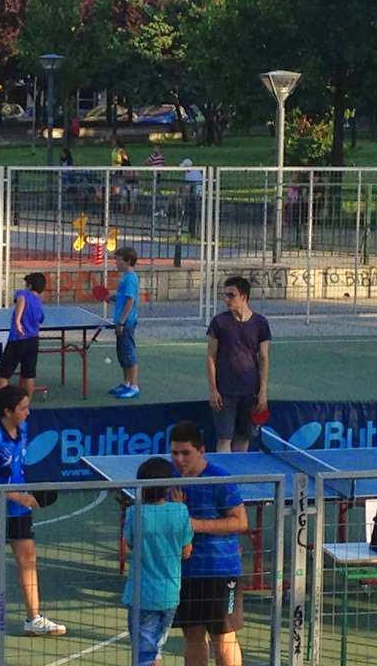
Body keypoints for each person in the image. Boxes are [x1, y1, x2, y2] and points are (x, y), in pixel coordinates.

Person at [0, 385, 66, 636]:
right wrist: (19, 496)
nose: (28, 413)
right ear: (7, 411)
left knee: (28, 559)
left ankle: (33, 618)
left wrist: (21, 499)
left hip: (18, 510)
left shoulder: (23, 429)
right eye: (23, 408)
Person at [169, 421, 248, 666]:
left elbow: (240, 521)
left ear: (201, 450)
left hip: (221, 571)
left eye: (185, 453)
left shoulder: (220, 478)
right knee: (192, 637)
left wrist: (194, 524)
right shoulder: (169, 480)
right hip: (185, 571)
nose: (179, 459)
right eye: (174, 453)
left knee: (223, 637)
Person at [122, 457, 193, 666]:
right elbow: (186, 552)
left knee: (143, 655)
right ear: (168, 487)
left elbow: (129, 545)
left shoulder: (135, 512)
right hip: (170, 595)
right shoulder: (180, 511)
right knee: (155, 652)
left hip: (141, 595)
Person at [207, 276, 271, 453]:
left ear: (243, 296)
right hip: (224, 392)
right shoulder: (219, 322)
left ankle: (239, 471)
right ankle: (225, 472)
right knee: (224, 439)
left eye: (231, 295)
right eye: (225, 295)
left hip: (250, 391)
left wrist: (263, 392)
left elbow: (264, 358)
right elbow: (211, 357)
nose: (226, 299)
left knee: (243, 437)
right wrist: (213, 390)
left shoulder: (260, 323)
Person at [0, 272, 46, 396]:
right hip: (33, 341)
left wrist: (18, 321)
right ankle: (26, 404)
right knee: (28, 376)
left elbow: (21, 300)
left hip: (17, 340)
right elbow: (40, 319)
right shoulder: (38, 303)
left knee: (3, 375)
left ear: (29, 285)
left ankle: (2, 403)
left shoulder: (23, 294)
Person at [109, 247, 140, 399]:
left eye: (118, 260)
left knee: (129, 354)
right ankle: (126, 383)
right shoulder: (125, 277)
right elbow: (123, 298)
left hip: (126, 323)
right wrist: (113, 298)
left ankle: (134, 386)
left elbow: (130, 301)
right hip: (121, 322)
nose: (116, 262)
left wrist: (121, 322)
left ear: (127, 261)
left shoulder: (130, 279)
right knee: (122, 354)